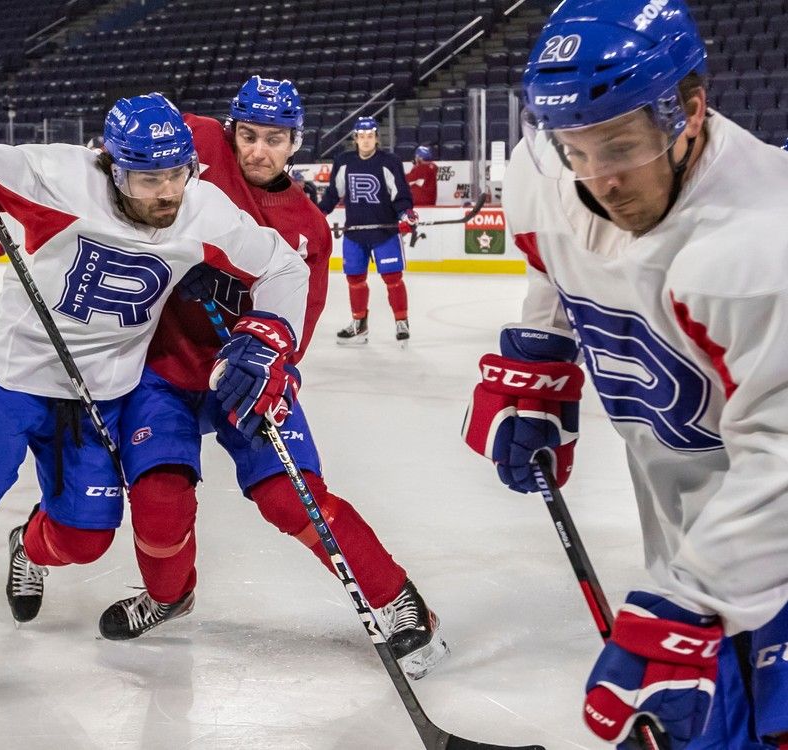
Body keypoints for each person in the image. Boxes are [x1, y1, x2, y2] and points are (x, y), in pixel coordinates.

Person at [0, 58, 309, 724]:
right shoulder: (62, 177)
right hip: (8, 372)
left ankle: (25, 545)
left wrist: (264, 336)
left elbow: (283, 267)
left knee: (86, 536)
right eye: (147, 178)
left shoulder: (202, 207)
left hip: (100, 393)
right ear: (112, 167)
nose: (166, 193)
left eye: (177, 175)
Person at [462, 2, 788, 748]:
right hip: (690, 528)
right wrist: (540, 359)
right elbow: (556, 255)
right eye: (576, 149)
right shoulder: (544, 172)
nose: (598, 178)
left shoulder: (762, 245)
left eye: (619, 146)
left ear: (690, 112)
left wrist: (692, 601)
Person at [67, 75, 447, 682]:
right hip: (161, 369)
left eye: (274, 139)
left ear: (296, 141)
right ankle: (169, 596)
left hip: (245, 376)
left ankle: (401, 602)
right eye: (247, 135)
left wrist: (268, 365)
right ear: (229, 129)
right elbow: (113, 159)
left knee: (291, 497)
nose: (257, 151)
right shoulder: (194, 140)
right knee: (159, 501)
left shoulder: (308, 228)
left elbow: (296, 327)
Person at [317, 117, 417, 346]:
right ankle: (359, 325)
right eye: (361, 137)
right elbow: (334, 194)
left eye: (370, 136)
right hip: (355, 233)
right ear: (355, 139)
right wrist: (318, 213)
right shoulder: (344, 161)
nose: (365, 141)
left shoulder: (389, 161)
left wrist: (406, 214)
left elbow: (400, 195)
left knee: (392, 278)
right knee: (354, 280)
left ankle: (401, 321)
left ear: (376, 138)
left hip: (385, 233)